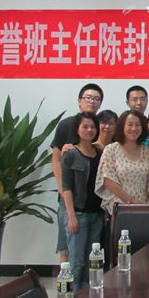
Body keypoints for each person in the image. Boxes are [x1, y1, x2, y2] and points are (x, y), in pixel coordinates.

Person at [51, 83, 104, 264]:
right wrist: (62, 189)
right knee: (67, 247)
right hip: (69, 197)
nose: (92, 101)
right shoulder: (66, 124)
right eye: (88, 97)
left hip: (93, 206)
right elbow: (56, 159)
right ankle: (66, 281)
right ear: (79, 101)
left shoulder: (100, 126)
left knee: (90, 254)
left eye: (96, 99)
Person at [61, 112, 103, 290]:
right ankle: (71, 297)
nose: (89, 130)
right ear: (77, 129)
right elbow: (67, 187)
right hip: (78, 214)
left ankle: (87, 297)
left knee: (91, 261)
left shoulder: (100, 153)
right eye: (85, 126)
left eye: (92, 127)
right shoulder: (70, 154)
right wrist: (71, 216)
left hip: (96, 215)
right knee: (77, 261)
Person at [95, 110, 149, 215]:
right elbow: (107, 179)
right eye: (130, 124)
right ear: (122, 127)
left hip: (143, 210)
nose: (134, 128)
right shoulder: (111, 149)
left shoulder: (148, 152)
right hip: (118, 210)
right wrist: (132, 202)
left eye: (137, 125)